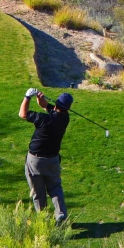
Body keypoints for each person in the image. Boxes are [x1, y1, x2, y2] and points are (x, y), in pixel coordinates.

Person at [19, 88, 71, 223]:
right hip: (53, 160)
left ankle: (44, 219)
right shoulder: (65, 118)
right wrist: (44, 104)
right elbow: (53, 111)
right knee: (55, 188)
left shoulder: (43, 119)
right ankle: (60, 214)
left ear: (57, 104)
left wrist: (27, 97)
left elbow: (22, 114)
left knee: (38, 191)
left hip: (35, 161)